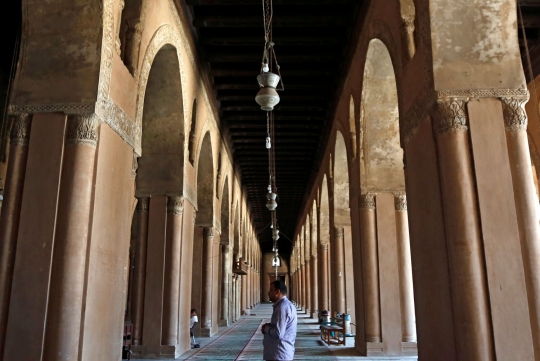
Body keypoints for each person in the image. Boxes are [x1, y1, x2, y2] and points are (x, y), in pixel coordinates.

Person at [262, 280, 297, 361]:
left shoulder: (282, 307)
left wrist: (266, 328)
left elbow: (278, 333)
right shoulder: (283, 305)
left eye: (271, 290)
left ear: (277, 292)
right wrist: (270, 325)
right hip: (279, 353)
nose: (268, 292)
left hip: (279, 353)